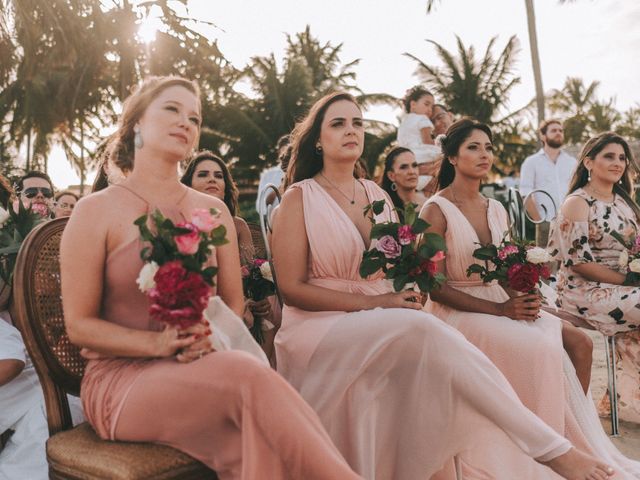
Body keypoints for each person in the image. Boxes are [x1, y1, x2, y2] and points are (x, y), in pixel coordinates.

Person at [272, 92, 613, 480]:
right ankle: (551, 450)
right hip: (318, 326)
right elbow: (291, 289)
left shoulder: (377, 196)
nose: (351, 130)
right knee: (424, 328)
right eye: (338, 123)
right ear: (318, 139)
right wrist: (381, 301)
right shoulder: (298, 199)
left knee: (430, 342)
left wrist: (403, 290)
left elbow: (400, 268)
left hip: (382, 314)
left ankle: (461, 467)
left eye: (358, 123)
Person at [59, 75, 362, 479]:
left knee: (257, 445)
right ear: (136, 124)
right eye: (171, 109)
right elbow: (79, 327)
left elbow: (232, 304)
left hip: (201, 365)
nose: (186, 121)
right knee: (248, 376)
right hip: (121, 380)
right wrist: (159, 343)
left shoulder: (212, 210)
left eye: (195, 118)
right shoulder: (95, 211)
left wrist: (204, 335)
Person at [422, 119, 640, 478]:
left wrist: (527, 300)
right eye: (473, 147)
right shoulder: (436, 209)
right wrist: (501, 309)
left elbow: (506, 270)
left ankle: (570, 438)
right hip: (455, 307)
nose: (484, 155)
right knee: (539, 347)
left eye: (489, 147)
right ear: (451, 155)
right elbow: (433, 286)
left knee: (579, 341)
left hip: (500, 299)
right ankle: (539, 451)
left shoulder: (495, 208)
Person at [550, 132, 640, 425]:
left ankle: (624, 400)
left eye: (622, 158)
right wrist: (629, 279)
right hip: (584, 290)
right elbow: (578, 263)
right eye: (609, 156)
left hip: (624, 284)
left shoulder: (625, 201)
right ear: (589, 161)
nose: (618, 163)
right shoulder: (578, 202)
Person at [181, 151, 279, 363]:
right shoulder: (181, 222)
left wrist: (255, 298)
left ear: (226, 185)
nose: (212, 179)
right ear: (188, 183)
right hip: (197, 303)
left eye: (218, 175)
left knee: (269, 315)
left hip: (240, 300)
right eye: (203, 174)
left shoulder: (238, 225)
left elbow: (251, 269)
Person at [520, 119, 577, 246]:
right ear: (543, 136)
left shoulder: (572, 162)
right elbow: (525, 194)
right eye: (554, 130)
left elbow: (578, 190)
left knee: (572, 263)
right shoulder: (531, 162)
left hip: (571, 223)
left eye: (561, 131)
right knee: (547, 264)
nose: (558, 133)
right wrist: (539, 222)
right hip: (546, 223)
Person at [378, 146, 426, 212]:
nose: (412, 172)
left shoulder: (428, 205)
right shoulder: (386, 208)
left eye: (414, 165)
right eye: (403, 167)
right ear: (391, 176)